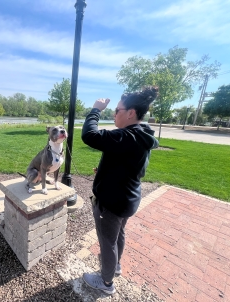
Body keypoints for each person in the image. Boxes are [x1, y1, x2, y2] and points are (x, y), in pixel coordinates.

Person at [81, 86, 159, 295]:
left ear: (131, 113)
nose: (114, 114)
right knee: (118, 235)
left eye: (117, 110)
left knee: (107, 242)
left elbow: (89, 135)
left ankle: (106, 283)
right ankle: (115, 267)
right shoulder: (142, 135)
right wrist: (106, 171)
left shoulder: (127, 136)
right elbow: (133, 167)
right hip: (128, 199)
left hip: (113, 203)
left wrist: (96, 110)